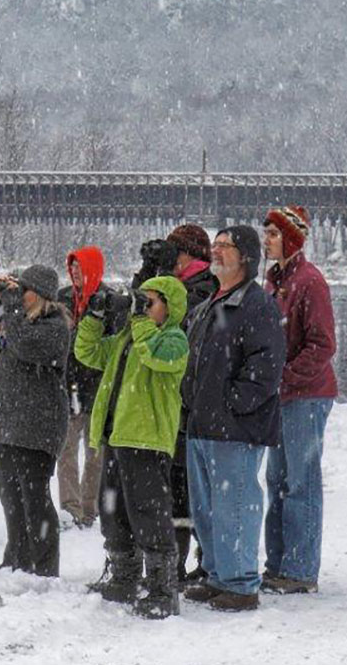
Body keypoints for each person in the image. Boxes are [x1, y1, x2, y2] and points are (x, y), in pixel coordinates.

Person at [181, 225, 286, 612]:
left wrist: (232, 404)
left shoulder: (257, 304)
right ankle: (217, 575)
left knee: (236, 507)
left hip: (235, 427)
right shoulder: (211, 301)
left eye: (226, 247)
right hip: (201, 423)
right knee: (207, 509)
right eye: (215, 245)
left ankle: (240, 582)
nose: (217, 252)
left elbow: (267, 366)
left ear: (245, 257)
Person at [77, 276, 189, 619]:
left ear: (169, 308)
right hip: (117, 436)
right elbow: (88, 352)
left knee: (149, 513)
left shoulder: (174, 340)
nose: (143, 308)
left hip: (147, 440)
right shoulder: (128, 338)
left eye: (151, 301)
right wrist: (94, 317)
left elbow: (156, 356)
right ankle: (124, 575)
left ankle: (162, 588)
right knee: (113, 510)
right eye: (143, 301)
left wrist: (139, 320)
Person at [0, 265, 70, 577]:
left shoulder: (54, 328)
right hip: (10, 423)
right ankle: (17, 559)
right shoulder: (16, 322)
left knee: (34, 497)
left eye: (23, 290)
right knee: (10, 496)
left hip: (38, 427)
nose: (19, 296)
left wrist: (10, 304)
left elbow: (23, 344)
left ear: (38, 294)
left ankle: (44, 566)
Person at [261, 206, 338, 594]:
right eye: (266, 232)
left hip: (307, 397)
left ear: (291, 239)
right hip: (282, 396)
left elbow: (323, 345)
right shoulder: (273, 281)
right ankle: (276, 563)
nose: (266, 239)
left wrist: (286, 378)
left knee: (301, 482)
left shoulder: (310, 282)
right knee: (276, 480)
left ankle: (301, 569)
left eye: (273, 233)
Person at [164, 223, 218, 583]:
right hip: (179, 405)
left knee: (190, 488)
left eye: (174, 253)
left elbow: (178, 332)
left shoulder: (202, 290)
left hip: (193, 406)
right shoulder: (183, 287)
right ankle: (182, 563)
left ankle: (201, 562)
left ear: (189, 254)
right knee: (181, 487)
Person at [56, 246, 125, 528]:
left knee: (95, 452)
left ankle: (89, 507)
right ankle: (69, 508)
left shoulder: (108, 300)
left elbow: (113, 343)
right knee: (67, 450)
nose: (74, 272)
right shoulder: (63, 298)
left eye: (79, 266)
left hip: (97, 386)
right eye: (71, 266)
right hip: (68, 383)